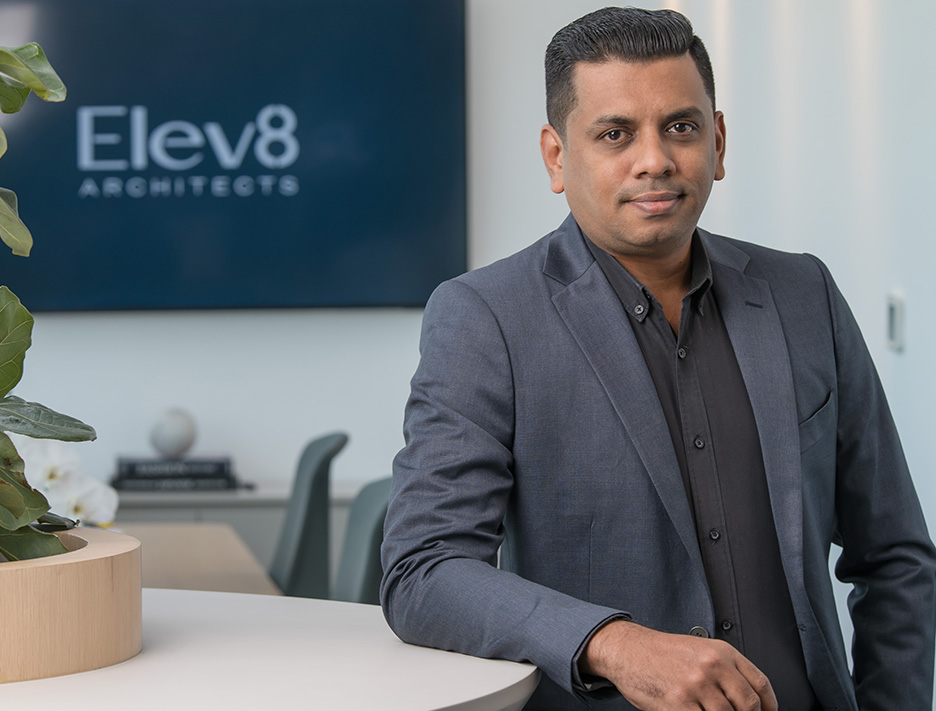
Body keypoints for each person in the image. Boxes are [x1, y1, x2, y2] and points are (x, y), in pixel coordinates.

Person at [379, 7, 936, 710]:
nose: (656, 159)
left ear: (719, 140)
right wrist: (615, 642)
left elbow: (895, 556)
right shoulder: (486, 317)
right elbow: (424, 572)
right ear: (557, 156)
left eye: (681, 126)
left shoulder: (804, 294)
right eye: (615, 134)